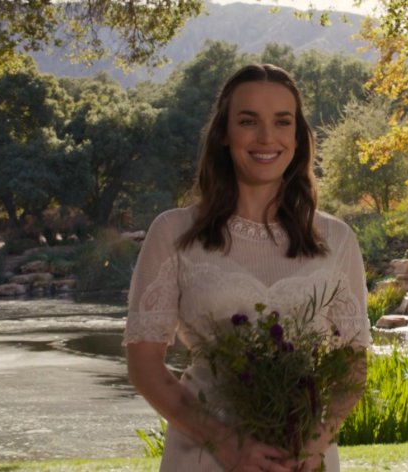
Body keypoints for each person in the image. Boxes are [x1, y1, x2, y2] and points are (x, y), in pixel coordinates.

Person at [123, 63, 371, 472]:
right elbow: (144, 365)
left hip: (303, 458)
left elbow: (352, 363)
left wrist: (316, 440)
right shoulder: (173, 232)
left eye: (281, 122)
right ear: (224, 133)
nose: (266, 138)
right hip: (205, 456)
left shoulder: (337, 239)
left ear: (297, 136)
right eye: (248, 121)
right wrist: (227, 445)